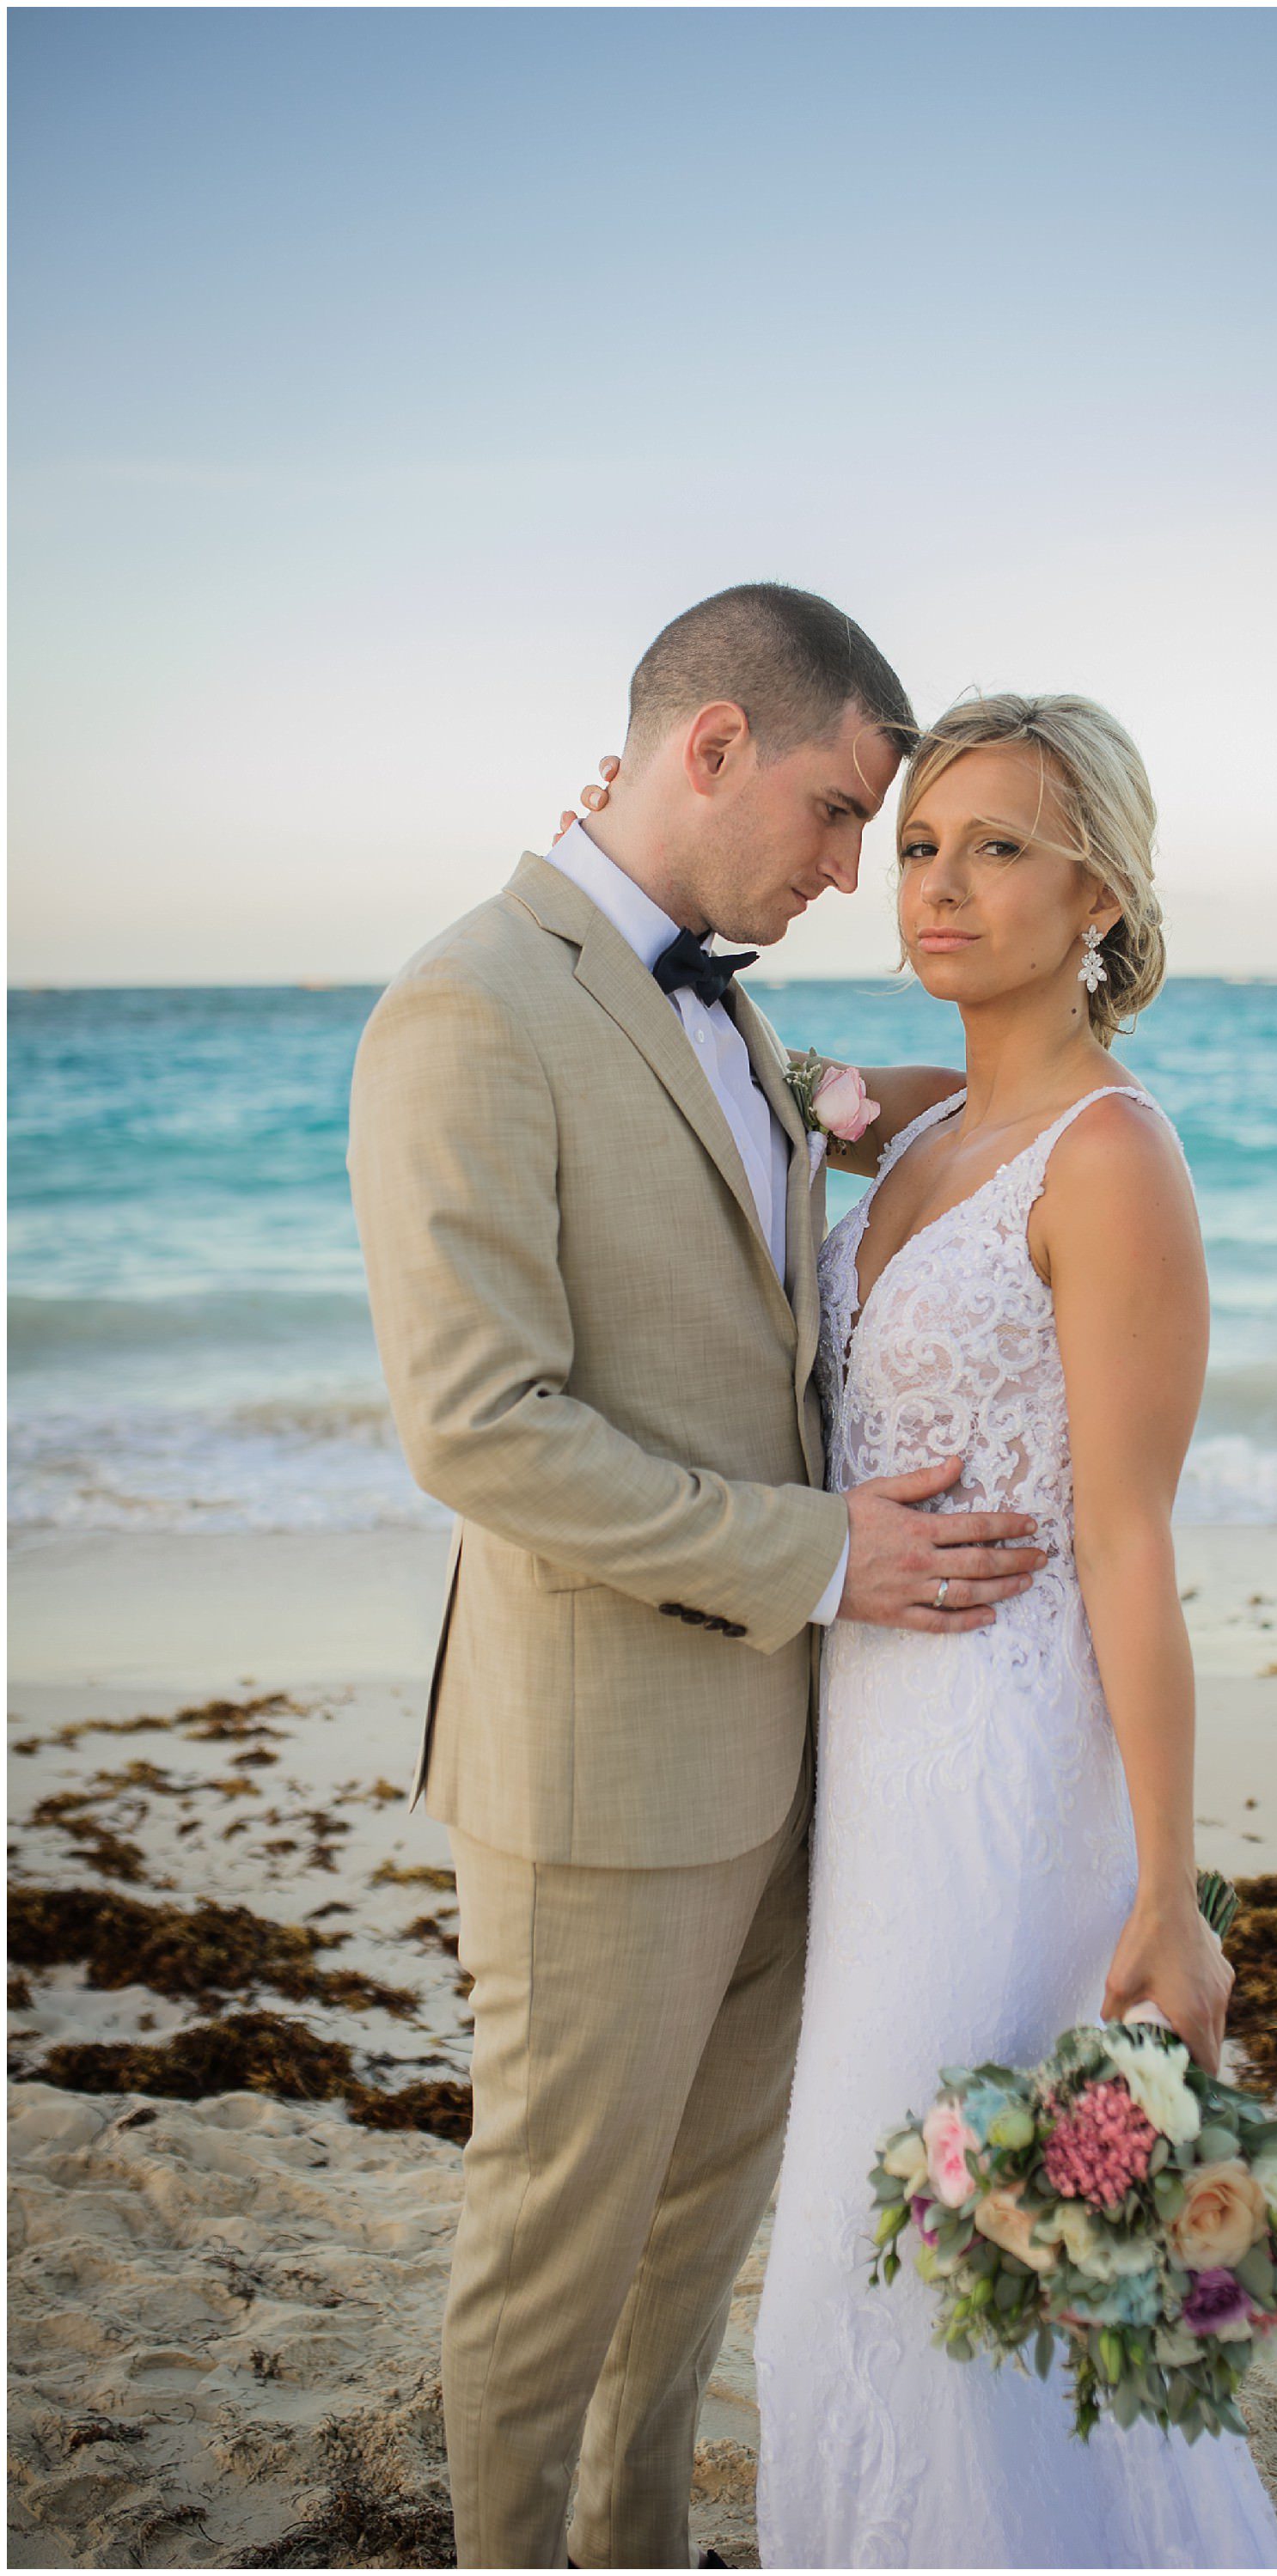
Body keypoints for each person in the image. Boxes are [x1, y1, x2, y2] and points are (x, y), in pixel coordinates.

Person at [345, 586, 1051, 2572]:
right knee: (551, 2264)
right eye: (839, 813)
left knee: (693, 2250)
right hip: (603, 1775)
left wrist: (1029, 1103)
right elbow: (481, 1426)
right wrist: (827, 1555)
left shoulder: (727, 1009)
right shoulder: (469, 1004)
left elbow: (787, 1168)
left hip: (792, 1761)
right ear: (714, 743)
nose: (849, 871)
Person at [651, 688, 1277, 2565]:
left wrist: (1168, 1892)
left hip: (1010, 1793)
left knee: (929, 2280)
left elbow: (1129, 1543)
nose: (937, 883)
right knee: (860, 2281)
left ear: (1101, 892)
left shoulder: (1111, 1159)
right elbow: (719, 1065)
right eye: (919, 843)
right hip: (874, 1772)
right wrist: (632, 864)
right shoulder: (927, 1124)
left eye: (1000, 848)